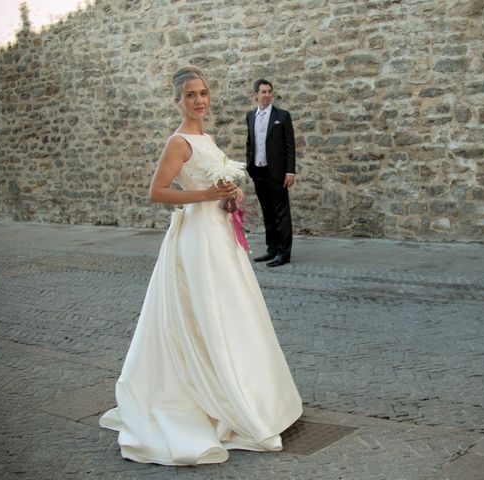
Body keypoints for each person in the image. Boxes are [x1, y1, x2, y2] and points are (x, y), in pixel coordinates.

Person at [99, 66, 302, 466]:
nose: (199, 100)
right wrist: (207, 193)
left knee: (232, 312)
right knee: (203, 310)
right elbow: (157, 192)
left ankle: (250, 391)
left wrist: (231, 194)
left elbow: (215, 187)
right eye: (191, 95)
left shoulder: (206, 138)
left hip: (219, 233)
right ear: (178, 102)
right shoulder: (178, 142)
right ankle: (208, 393)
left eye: (203, 93)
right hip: (194, 238)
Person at [245, 79, 296, 267]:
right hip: (258, 171)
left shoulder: (282, 116)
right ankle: (272, 249)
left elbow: (290, 146)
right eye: (263, 92)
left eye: (269, 92)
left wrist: (290, 172)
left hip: (278, 173)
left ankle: (284, 253)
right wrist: (249, 165)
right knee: (267, 212)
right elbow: (250, 142)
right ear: (255, 95)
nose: (267, 95)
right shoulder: (250, 116)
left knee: (281, 212)